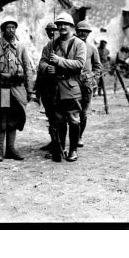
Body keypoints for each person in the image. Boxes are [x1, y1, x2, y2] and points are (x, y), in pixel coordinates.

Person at [0, 17, 36, 162]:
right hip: (2, 89)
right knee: (2, 118)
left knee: (15, 117)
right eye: (8, 27)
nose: (11, 30)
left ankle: (10, 149)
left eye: (13, 27)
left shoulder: (21, 47)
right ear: (3, 29)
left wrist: (29, 90)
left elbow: (27, 68)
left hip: (17, 88)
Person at [39, 12, 86, 162]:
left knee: (73, 120)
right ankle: (60, 148)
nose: (62, 27)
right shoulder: (52, 44)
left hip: (71, 86)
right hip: (55, 88)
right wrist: (47, 68)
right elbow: (42, 62)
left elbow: (79, 64)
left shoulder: (79, 44)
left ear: (71, 26)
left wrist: (59, 61)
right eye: (59, 24)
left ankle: (73, 150)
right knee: (58, 120)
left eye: (65, 24)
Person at [75, 20, 102, 147]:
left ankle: (79, 136)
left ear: (89, 34)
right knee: (69, 111)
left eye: (85, 32)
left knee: (83, 113)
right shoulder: (71, 45)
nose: (82, 33)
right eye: (80, 31)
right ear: (76, 31)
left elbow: (97, 66)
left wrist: (92, 77)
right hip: (71, 82)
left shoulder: (92, 48)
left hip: (86, 84)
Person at [37, 22, 58, 151]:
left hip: (61, 85)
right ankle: (53, 140)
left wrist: (57, 67)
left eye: (53, 30)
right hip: (48, 85)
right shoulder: (47, 47)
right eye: (48, 30)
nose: (51, 33)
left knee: (60, 115)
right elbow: (42, 62)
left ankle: (59, 142)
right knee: (50, 114)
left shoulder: (64, 44)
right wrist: (47, 67)